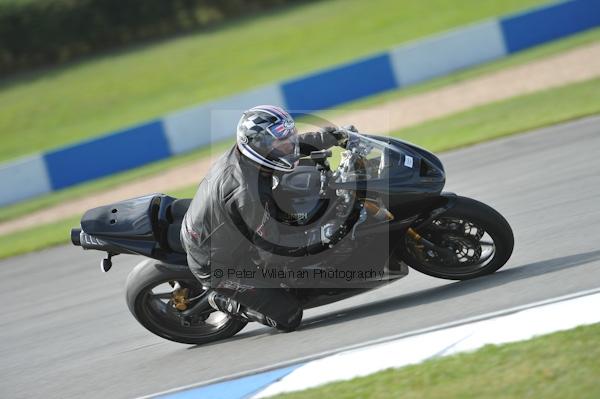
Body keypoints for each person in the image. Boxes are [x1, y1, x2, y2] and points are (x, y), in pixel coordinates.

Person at [180, 105, 349, 332]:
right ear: (260, 146)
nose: (290, 144)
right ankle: (219, 300)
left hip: (220, 229)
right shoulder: (249, 194)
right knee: (288, 317)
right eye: (281, 141)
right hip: (218, 264)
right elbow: (271, 253)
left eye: (289, 135)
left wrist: (333, 136)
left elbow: (292, 145)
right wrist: (320, 237)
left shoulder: (253, 156)